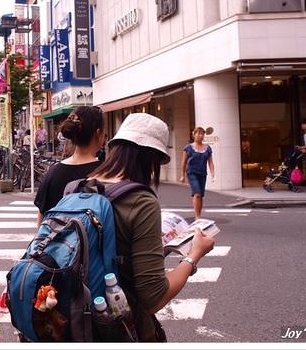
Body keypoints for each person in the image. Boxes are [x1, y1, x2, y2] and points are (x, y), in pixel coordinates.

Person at [87, 113, 216, 341]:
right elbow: (154, 297)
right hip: (114, 328)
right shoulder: (140, 201)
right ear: (150, 158)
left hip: (75, 317)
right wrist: (195, 254)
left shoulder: (82, 185)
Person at [34, 106, 105, 225]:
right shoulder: (106, 172)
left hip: (59, 242)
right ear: (98, 133)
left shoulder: (54, 172)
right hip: (95, 242)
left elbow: (42, 220)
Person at [180, 126, 215, 220]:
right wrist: (182, 175)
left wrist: (213, 174)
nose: (200, 135)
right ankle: (197, 216)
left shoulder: (207, 148)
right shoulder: (188, 148)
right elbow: (183, 162)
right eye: (198, 133)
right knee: (197, 193)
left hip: (203, 173)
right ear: (194, 135)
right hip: (192, 173)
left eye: (202, 133)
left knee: (201, 195)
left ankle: (199, 214)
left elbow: (210, 162)